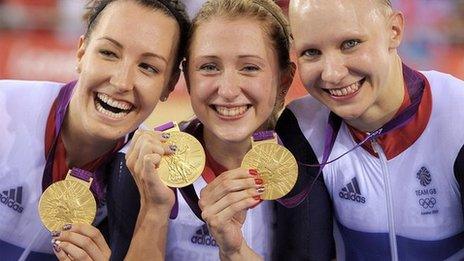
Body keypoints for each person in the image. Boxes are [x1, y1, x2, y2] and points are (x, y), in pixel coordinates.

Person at [0, 0, 190, 260]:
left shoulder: (152, 177)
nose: (122, 82)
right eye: (109, 53)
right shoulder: (4, 112)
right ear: (81, 53)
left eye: (148, 67)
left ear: (169, 85)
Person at [275, 0, 464, 260]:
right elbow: (305, 253)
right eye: (311, 52)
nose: (331, 74)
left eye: (350, 44)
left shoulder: (458, 117)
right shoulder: (301, 126)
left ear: (394, 30)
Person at [107, 0, 295, 260]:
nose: (228, 91)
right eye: (209, 67)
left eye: (250, 68)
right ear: (187, 78)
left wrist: (235, 252)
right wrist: (154, 211)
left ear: (284, 80)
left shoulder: (309, 167)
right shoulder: (143, 165)